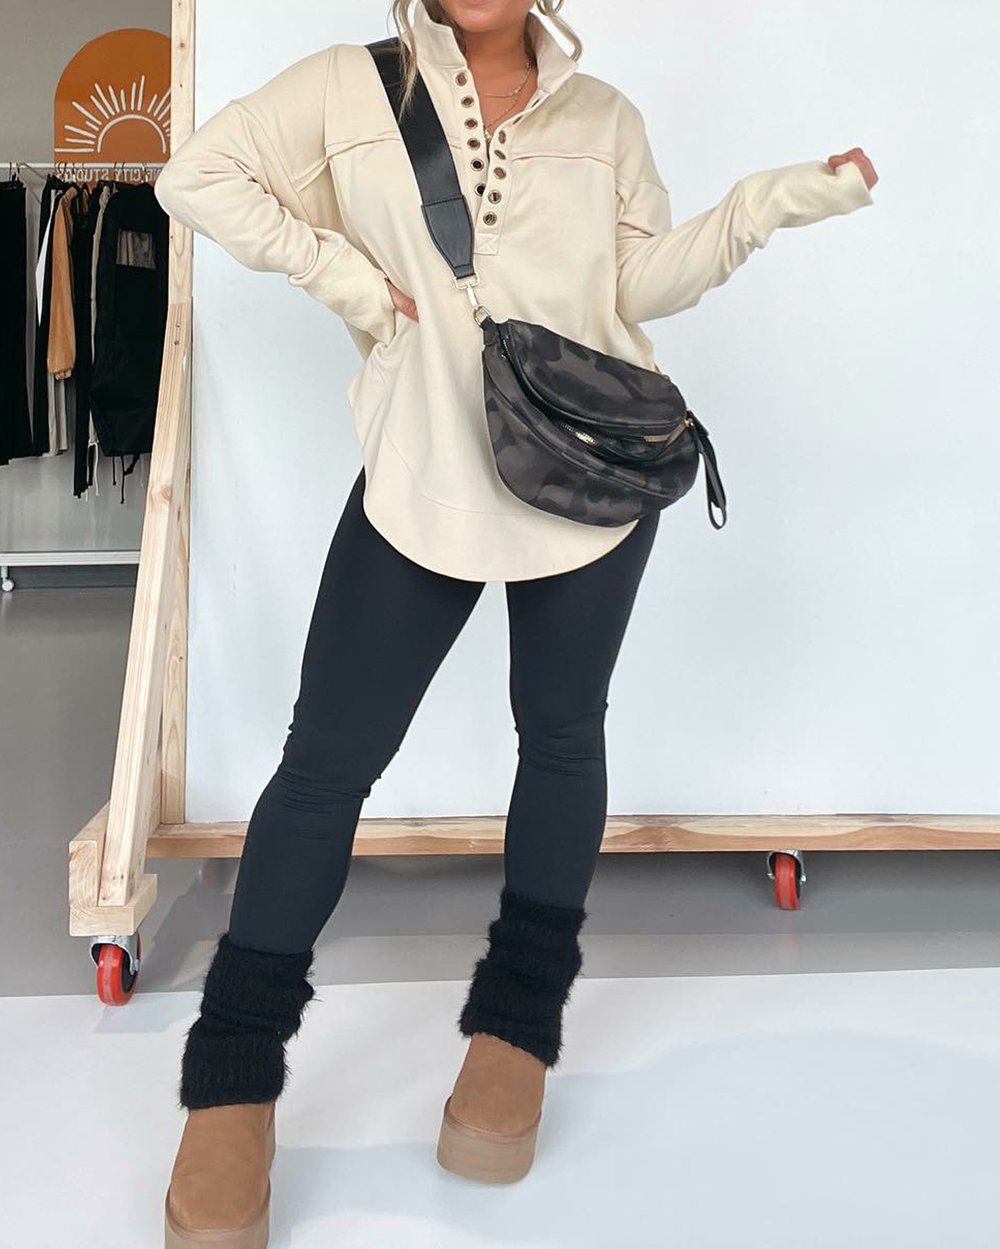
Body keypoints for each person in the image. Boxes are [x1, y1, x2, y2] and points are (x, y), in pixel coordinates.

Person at [156, 1, 878, 1242]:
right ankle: (233, 1082)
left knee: (560, 736)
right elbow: (193, 176)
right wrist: (349, 281)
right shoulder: (346, 87)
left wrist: (768, 202)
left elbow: (635, 284)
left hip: (586, 475)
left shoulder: (605, 117)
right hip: (424, 473)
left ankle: (515, 1032)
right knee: (324, 767)